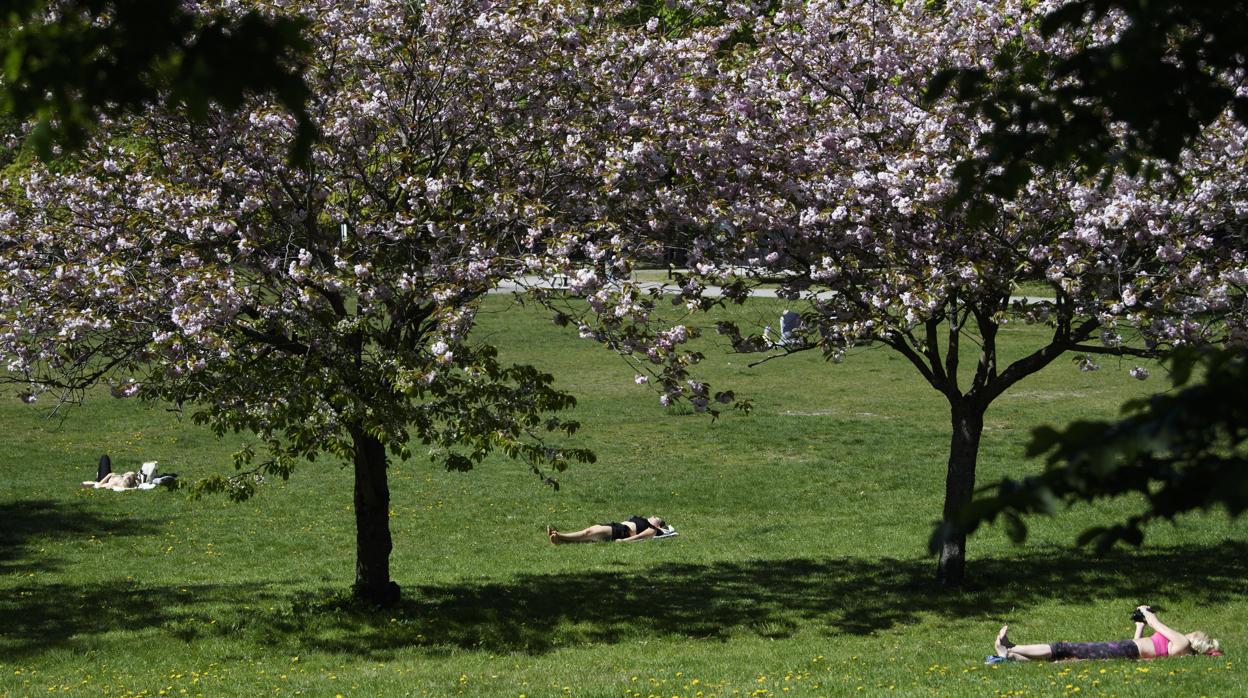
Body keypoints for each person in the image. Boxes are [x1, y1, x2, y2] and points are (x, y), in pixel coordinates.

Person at [992, 606, 1222, 662]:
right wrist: (1139, 625)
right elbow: (1146, 642)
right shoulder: (1178, 646)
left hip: (1126, 650)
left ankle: (1009, 650)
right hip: (1128, 647)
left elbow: (1157, 624)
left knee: (1063, 648)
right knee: (1066, 657)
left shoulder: (1181, 642)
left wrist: (1146, 612)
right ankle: (1011, 654)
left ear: (1195, 639)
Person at [548, 516, 668, 544]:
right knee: (588, 534)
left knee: (588, 533)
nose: (653, 516)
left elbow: (642, 536)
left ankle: (560, 535)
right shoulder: (643, 520)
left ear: (658, 525)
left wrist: (625, 541)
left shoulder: (654, 529)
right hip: (615, 526)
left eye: (656, 518)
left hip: (621, 531)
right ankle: (562, 540)